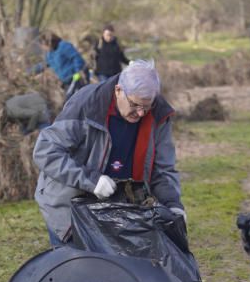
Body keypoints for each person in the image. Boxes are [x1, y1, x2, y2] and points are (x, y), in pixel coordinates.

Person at [33, 60, 184, 246]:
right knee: (76, 270)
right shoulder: (88, 104)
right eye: (135, 105)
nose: (141, 113)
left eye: (147, 107)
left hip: (119, 210)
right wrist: (92, 180)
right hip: (70, 206)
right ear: (119, 90)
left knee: (118, 271)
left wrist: (173, 206)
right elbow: (46, 150)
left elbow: (162, 169)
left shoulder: (158, 114)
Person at [39, 32, 87, 100]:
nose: (43, 48)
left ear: (49, 43)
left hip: (75, 78)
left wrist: (78, 71)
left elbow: (77, 58)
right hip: (65, 81)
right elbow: (45, 64)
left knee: (72, 100)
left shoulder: (64, 46)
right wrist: (31, 71)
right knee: (70, 101)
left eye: (43, 45)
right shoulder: (50, 53)